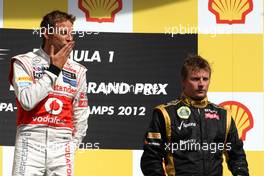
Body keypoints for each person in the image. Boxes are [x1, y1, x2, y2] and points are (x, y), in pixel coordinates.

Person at [9, 10, 89, 175]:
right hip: (30, 140)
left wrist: (72, 145)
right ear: (47, 33)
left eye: (71, 33)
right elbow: (27, 100)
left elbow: (81, 113)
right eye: (63, 32)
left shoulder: (78, 70)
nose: (69, 38)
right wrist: (53, 70)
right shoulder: (24, 62)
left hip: (62, 143)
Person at [140, 55, 249, 176]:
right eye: (195, 79)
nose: (201, 84)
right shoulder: (165, 113)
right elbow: (151, 159)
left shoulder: (224, 115)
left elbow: (237, 156)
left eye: (205, 79)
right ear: (183, 81)